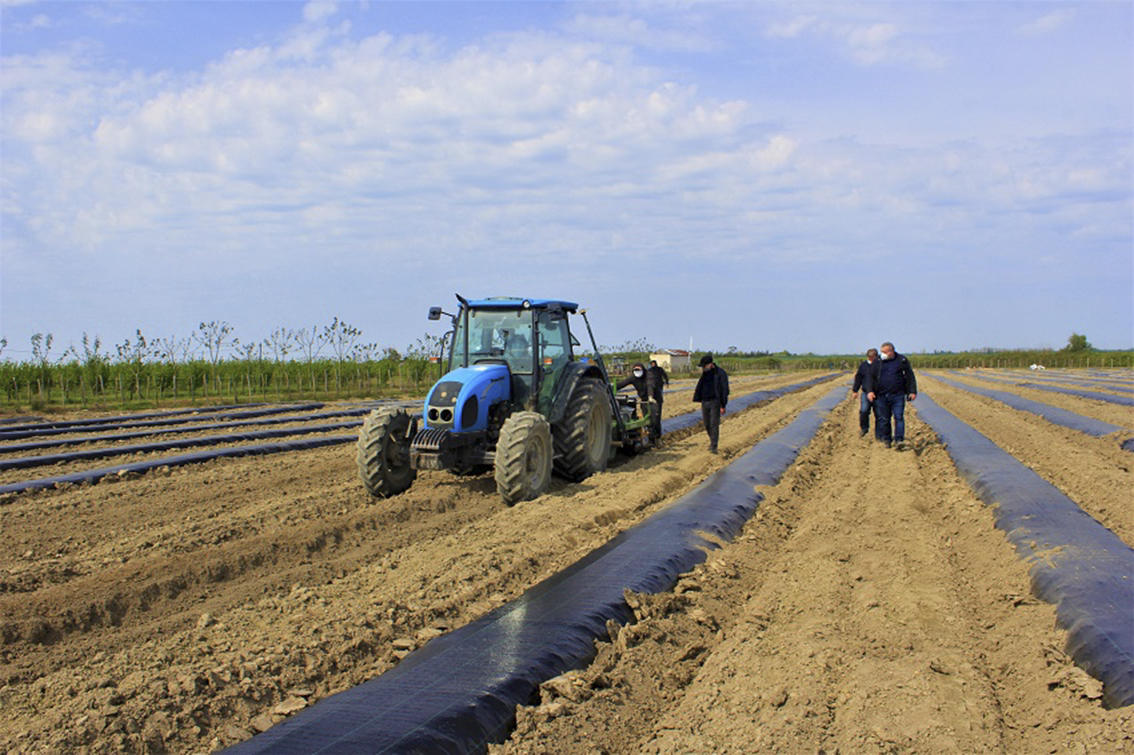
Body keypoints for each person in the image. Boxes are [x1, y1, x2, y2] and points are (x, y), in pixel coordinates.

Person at [864, 342, 917, 450]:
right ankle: (887, 439)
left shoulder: (901, 360)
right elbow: (870, 377)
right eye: (881, 352)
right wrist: (869, 391)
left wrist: (912, 391)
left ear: (891, 351)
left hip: (897, 395)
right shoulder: (877, 362)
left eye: (884, 352)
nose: (882, 354)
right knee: (884, 419)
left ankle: (899, 440)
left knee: (899, 417)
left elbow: (910, 376)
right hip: (881, 396)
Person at [692, 354, 729, 453]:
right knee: (706, 424)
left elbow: (725, 390)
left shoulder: (720, 374)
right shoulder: (704, 374)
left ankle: (714, 446)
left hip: (715, 402)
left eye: (704, 366)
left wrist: (723, 405)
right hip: (705, 402)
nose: (702, 368)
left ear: (710, 364)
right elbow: (700, 387)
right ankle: (712, 441)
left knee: (714, 424)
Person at [851, 348, 880, 438]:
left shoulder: (881, 365)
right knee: (864, 410)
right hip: (865, 392)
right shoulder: (863, 366)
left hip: (879, 393)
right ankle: (864, 428)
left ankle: (879, 433)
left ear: (876, 356)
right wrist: (855, 390)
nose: (871, 359)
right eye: (869, 357)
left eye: (872, 357)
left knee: (879, 414)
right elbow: (858, 378)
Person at [645, 359, 669, 441]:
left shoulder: (659, 370)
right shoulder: (649, 372)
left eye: (653, 363)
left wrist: (667, 381)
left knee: (656, 417)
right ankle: (652, 436)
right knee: (651, 418)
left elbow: (665, 375)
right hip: (650, 396)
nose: (653, 365)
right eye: (651, 364)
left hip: (657, 393)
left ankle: (657, 436)